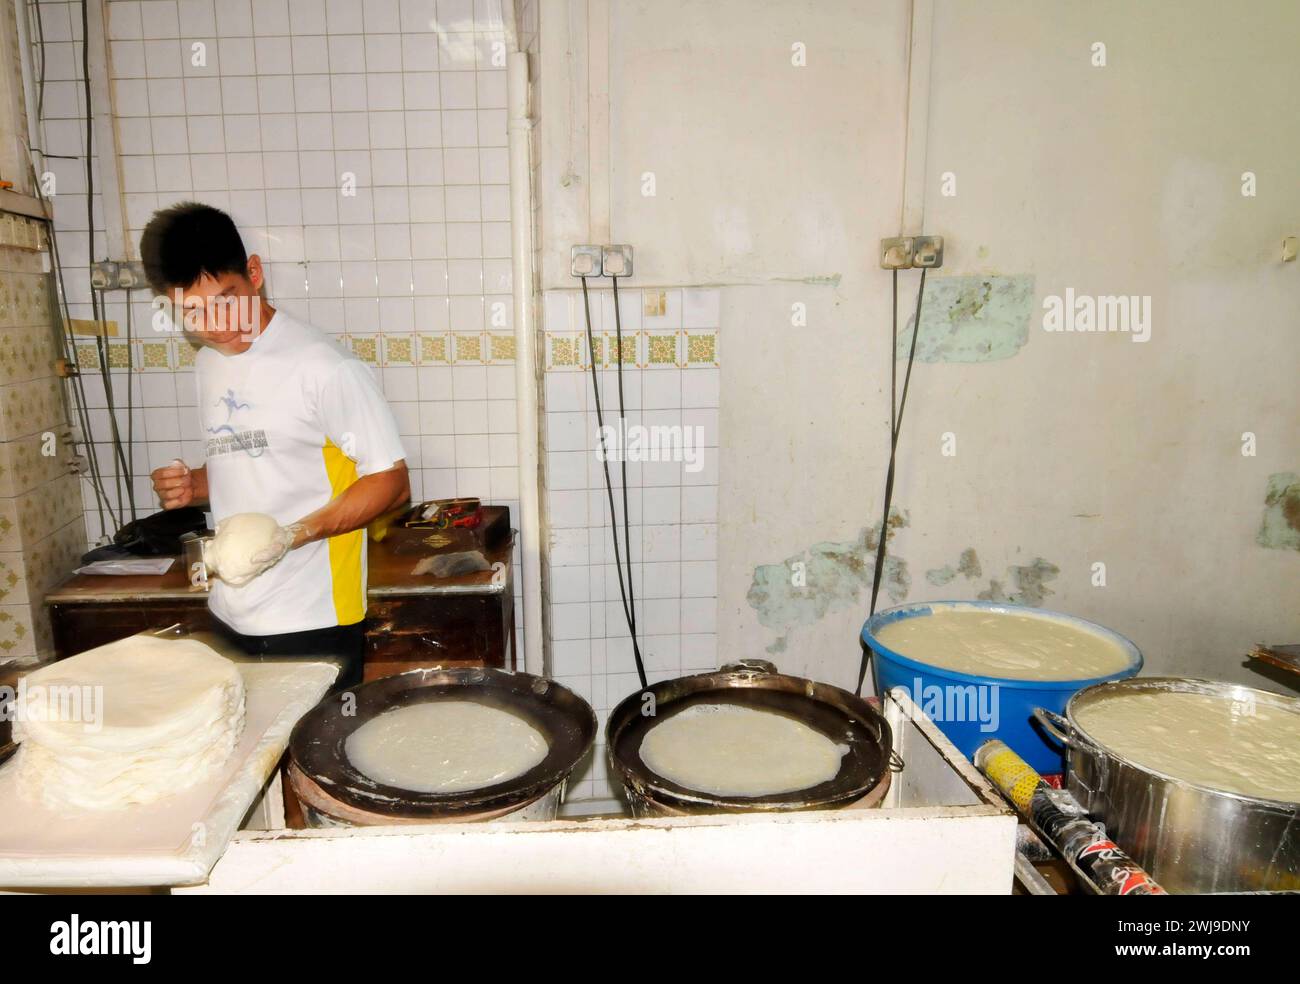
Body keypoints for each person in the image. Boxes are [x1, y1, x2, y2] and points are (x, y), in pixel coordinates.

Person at [144, 202, 409, 687]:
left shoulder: (324, 367)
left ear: (255, 272)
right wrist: (195, 485)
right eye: (192, 311)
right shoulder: (208, 363)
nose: (215, 325)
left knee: (310, 763)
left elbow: (391, 482)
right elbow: (260, 462)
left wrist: (292, 535)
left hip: (313, 618)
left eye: (226, 299)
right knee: (252, 762)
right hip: (231, 612)